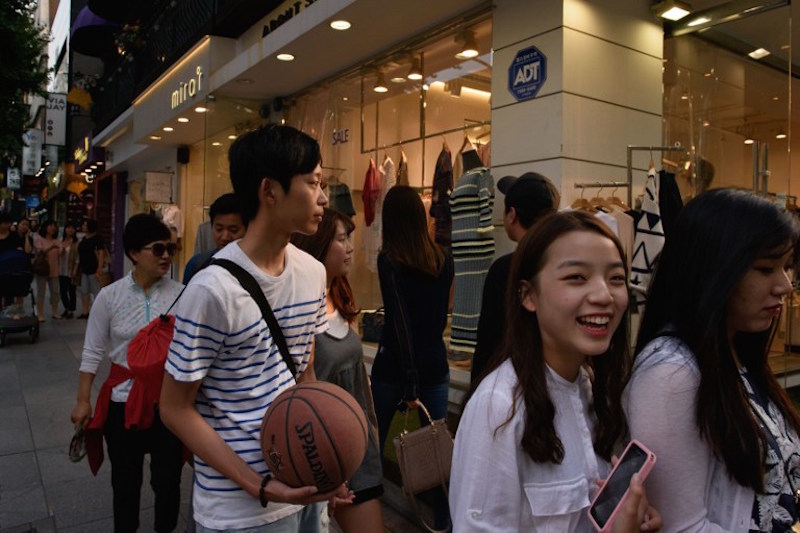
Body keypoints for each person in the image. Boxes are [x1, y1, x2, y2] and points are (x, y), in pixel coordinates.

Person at [159, 124, 351, 533]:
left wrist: (327, 458)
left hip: (304, 490)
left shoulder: (313, 273)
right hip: (239, 510)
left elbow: (303, 374)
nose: (322, 198)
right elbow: (174, 407)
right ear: (269, 191)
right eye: (313, 182)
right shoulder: (212, 289)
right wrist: (261, 485)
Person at [450, 211, 661, 531]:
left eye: (616, 278)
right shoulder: (499, 407)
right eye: (577, 277)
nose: (604, 295)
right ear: (528, 295)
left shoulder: (592, 388)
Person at [626, 188, 800, 531]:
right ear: (713, 269)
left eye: (788, 267)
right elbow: (682, 525)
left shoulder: (735, 352)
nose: (785, 285)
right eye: (765, 269)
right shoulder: (671, 374)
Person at [70, 213, 185, 533]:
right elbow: (92, 351)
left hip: (168, 403)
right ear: (134, 253)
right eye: (158, 249)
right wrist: (83, 401)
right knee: (125, 484)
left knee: (168, 481)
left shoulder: (183, 294)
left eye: (170, 249)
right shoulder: (110, 296)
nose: (166, 256)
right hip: (122, 402)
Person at [292, 208, 385, 533]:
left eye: (350, 239)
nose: (349, 248)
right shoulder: (301, 306)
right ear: (318, 245)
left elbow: (357, 375)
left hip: (359, 444)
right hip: (321, 450)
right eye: (342, 239)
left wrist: (371, 428)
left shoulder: (343, 297)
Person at [370, 185, 454, 530]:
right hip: (436, 366)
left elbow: (400, 322)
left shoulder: (389, 260)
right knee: (439, 457)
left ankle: (370, 518)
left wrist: (409, 382)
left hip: (395, 370)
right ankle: (445, 525)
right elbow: (440, 318)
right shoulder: (443, 259)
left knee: (371, 450)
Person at [472, 172, 560, 382]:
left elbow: (489, 342)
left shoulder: (506, 269)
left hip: (512, 382)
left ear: (512, 215)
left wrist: (476, 392)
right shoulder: (564, 265)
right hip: (557, 377)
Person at [183, 193, 245, 283]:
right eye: (219, 229)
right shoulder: (196, 265)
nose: (225, 237)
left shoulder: (259, 268)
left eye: (233, 230)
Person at [76, 218, 106, 318]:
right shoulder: (84, 239)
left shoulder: (97, 239)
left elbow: (101, 254)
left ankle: (98, 313)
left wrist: (99, 268)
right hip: (84, 269)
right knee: (84, 291)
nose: (83, 227)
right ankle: (85, 312)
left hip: (94, 269)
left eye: (85, 225)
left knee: (96, 292)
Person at [34, 220, 61, 321]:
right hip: (42, 269)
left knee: (55, 292)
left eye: (54, 226)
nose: (53, 228)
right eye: (50, 225)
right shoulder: (39, 239)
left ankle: (55, 312)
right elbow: (41, 251)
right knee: (41, 292)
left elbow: (60, 253)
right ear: (45, 227)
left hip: (54, 269)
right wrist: (52, 247)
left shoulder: (57, 240)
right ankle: (40, 314)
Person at [58, 223, 79, 318]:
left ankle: (71, 310)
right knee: (62, 291)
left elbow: (78, 258)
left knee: (71, 291)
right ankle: (67, 308)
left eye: (72, 228)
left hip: (70, 270)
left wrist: (75, 270)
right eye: (68, 227)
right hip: (61, 270)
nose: (70, 230)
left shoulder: (76, 243)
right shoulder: (60, 241)